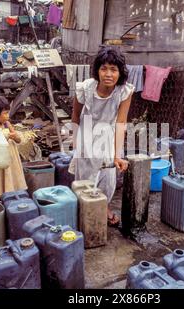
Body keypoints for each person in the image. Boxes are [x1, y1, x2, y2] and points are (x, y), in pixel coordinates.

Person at [71, 47, 134, 227]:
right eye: (104, 68)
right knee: (85, 178)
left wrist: (117, 155)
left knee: (108, 178)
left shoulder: (124, 92)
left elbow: (120, 122)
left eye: (113, 70)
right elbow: (75, 115)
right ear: (97, 70)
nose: (108, 74)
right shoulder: (85, 88)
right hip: (87, 136)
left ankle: (103, 207)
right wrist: (76, 139)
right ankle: (84, 210)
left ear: (120, 73)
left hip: (108, 138)